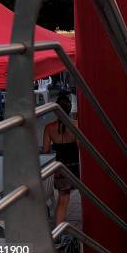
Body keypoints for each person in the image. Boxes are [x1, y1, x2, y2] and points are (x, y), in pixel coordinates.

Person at [43, 93, 80, 227]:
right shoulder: (76, 125)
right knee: (86, 199)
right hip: (77, 167)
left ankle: (59, 231)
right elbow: (80, 146)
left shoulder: (49, 128)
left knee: (63, 201)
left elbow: (46, 150)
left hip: (61, 168)